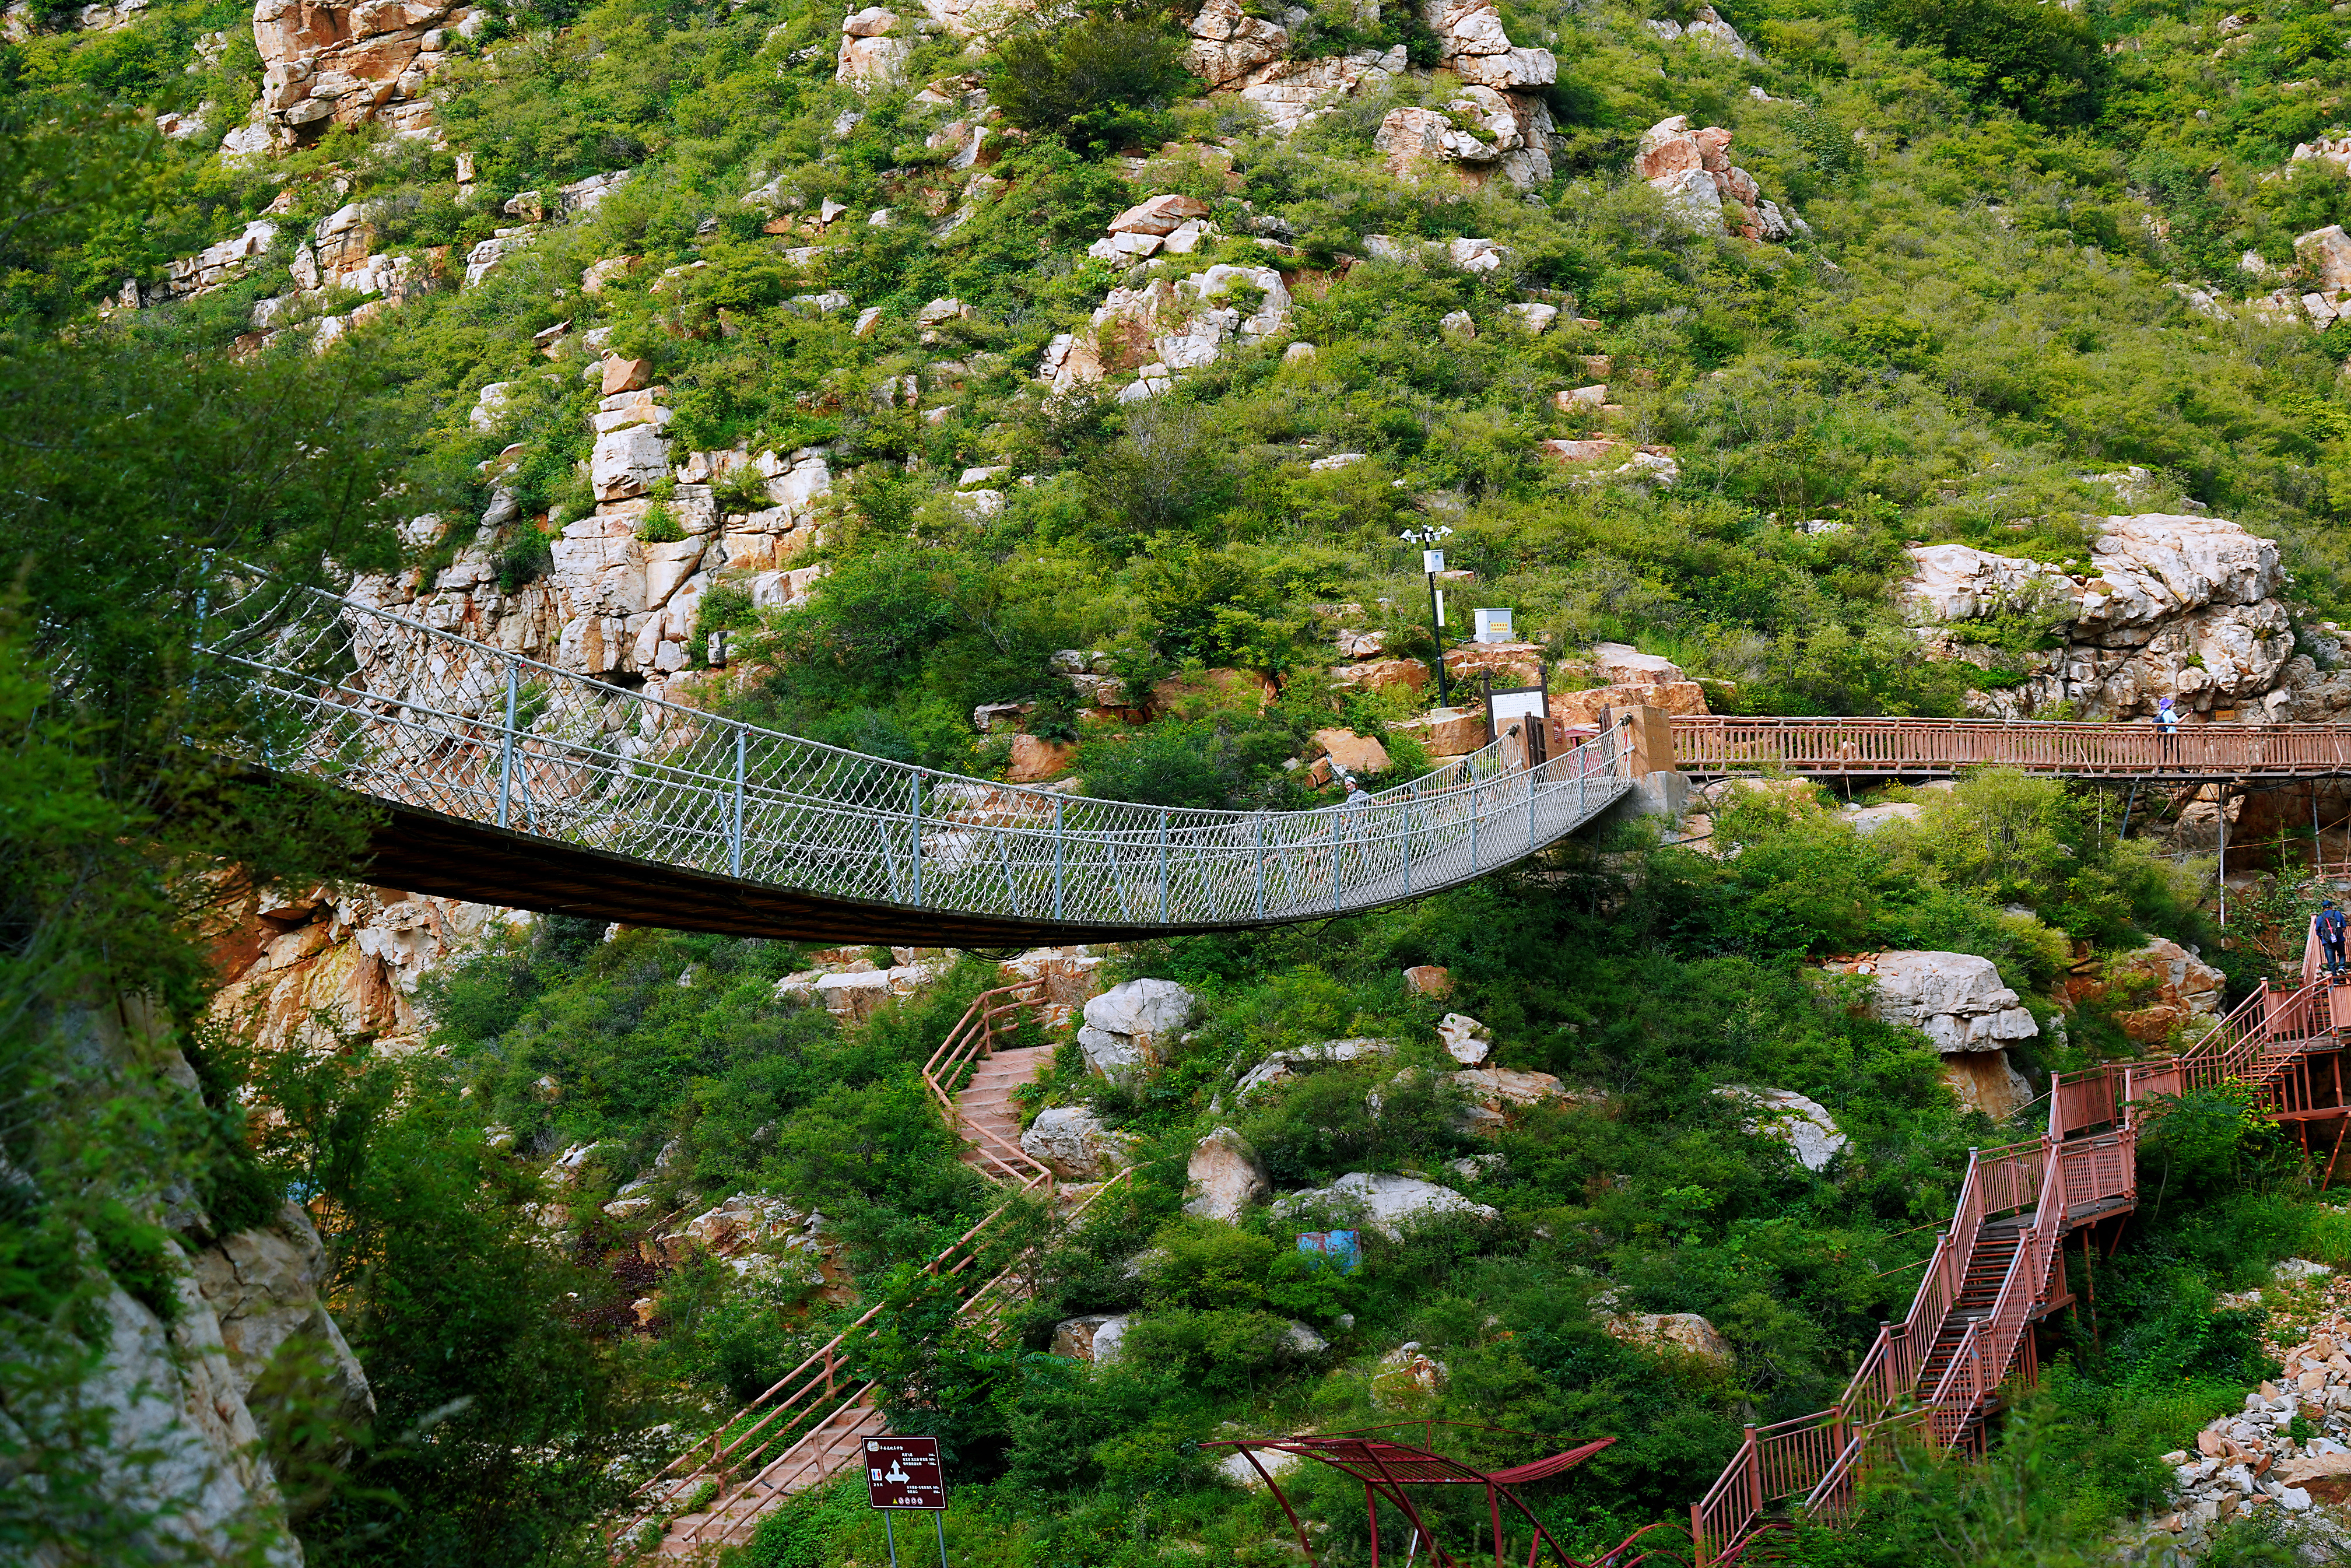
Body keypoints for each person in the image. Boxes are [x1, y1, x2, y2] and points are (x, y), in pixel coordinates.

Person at [2320, 899, 2349, 978]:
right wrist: (2338, 934)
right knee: (2342, 954)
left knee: (2331, 961)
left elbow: (2318, 932)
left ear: (2323, 908)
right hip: (2339, 939)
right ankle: (2341, 967)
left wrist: (2324, 938)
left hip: (2327, 942)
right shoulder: (2338, 913)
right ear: (2331, 907)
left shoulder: (2320, 917)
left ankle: (2335, 981)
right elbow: (2344, 926)